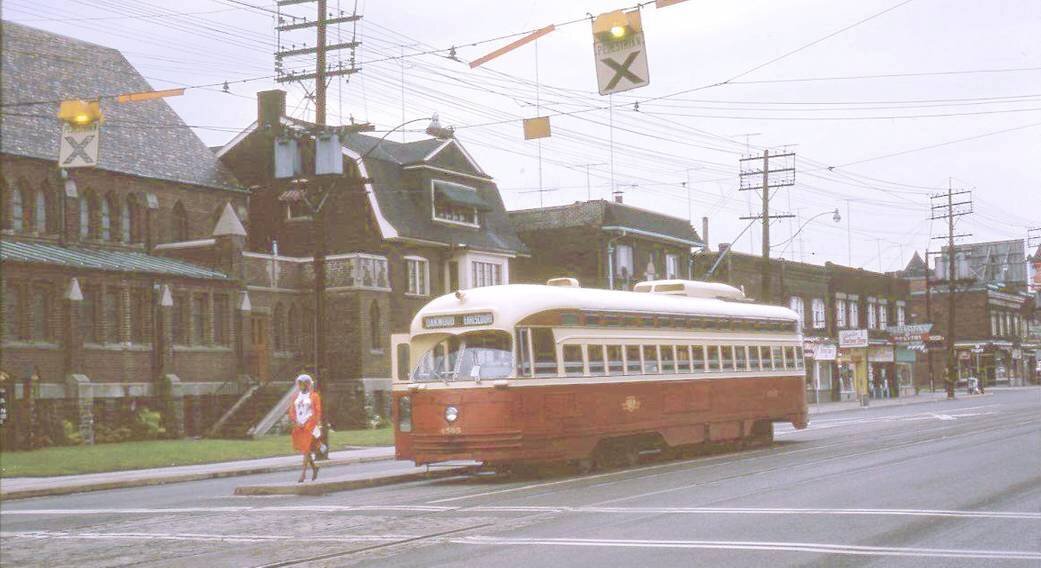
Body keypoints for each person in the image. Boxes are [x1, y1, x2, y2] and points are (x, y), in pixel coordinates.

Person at [288, 374, 322, 483]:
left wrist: (310, 424)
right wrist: (296, 421)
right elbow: (292, 411)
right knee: (305, 450)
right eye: (300, 384)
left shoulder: (314, 396)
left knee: (306, 449)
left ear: (308, 384)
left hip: (309, 426)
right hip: (299, 426)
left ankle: (303, 474)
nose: (302, 386)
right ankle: (315, 467)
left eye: (304, 383)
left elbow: (317, 412)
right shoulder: (295, 397)